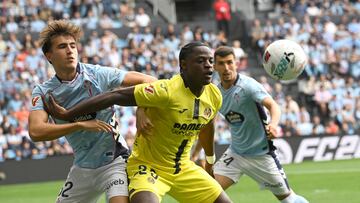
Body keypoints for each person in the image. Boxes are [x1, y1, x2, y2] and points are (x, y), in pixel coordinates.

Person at [43, 42, 232, 203]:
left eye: (210, 61)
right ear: (183, 65)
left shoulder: (214, 95)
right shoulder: (166, 91)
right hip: (148, 168)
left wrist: (209, 161)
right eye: (200, 61)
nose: (208, 66)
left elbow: (206, 125)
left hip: (183, 168)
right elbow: (114, 95)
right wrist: (69, 114)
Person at [28, 20, 157, 203]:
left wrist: (141, 109)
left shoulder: (97, 74)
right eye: (62, 47)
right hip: (82, 168)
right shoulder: (43, 92)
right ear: (49, 56)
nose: (70, 51)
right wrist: (79, 125)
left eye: (73, 46)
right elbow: (36, 131)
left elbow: (150, 81)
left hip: (115, 161)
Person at [211, 46, 308, 203]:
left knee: (289, 200)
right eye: (221, 63)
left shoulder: (248, 85)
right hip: (235, 154)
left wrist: (274, 124)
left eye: (230, 62)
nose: (226, 68)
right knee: (207, 194)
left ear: (236, 63)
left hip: (261, 156)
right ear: (214, 66)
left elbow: (273, 106)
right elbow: (209, 123)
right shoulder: (216, 92)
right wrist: (197, 153)